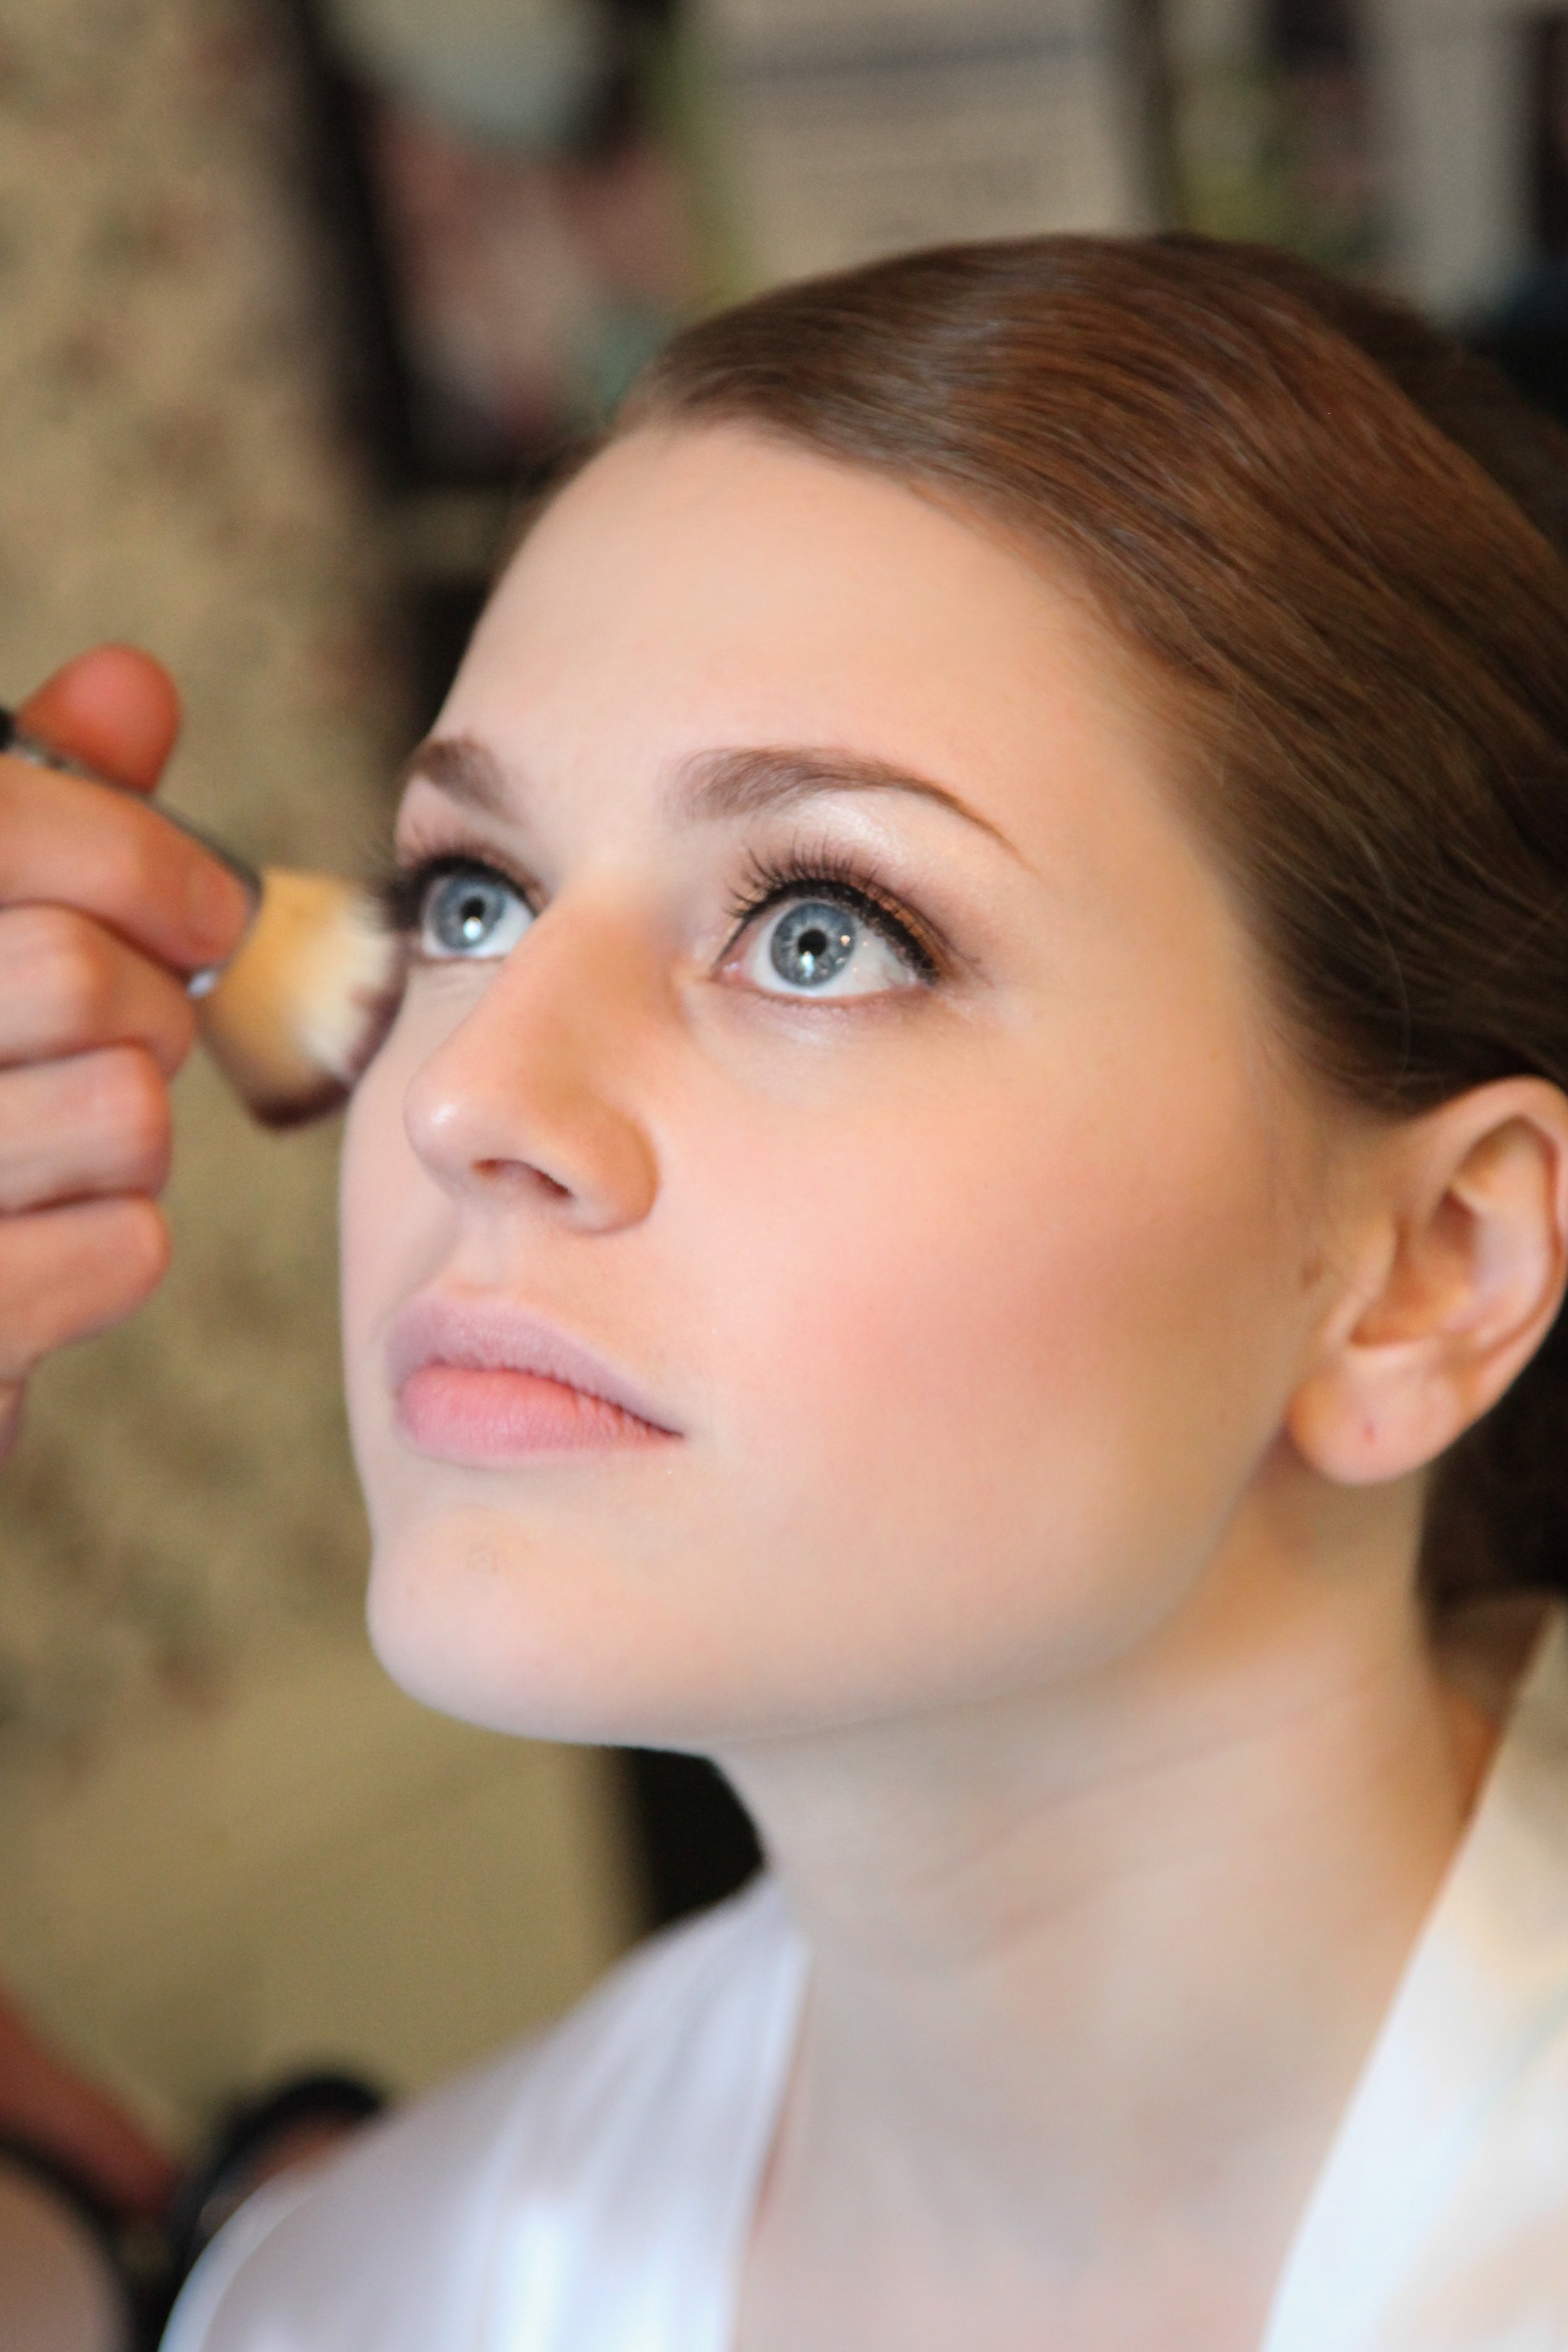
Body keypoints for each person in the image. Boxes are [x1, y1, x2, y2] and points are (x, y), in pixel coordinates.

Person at [7, 233, 1568, 2351]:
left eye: (823, 931)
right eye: (473, 897)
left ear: (1428, 1272)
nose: (464, 1090)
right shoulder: (348, 2302)